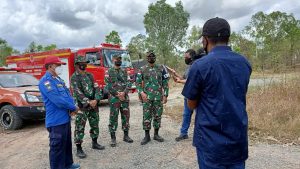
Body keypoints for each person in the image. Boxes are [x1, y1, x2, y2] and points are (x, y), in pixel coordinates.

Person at [182, 17, 252, 169]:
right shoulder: (244, 63)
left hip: (210, 143)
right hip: (237, 140)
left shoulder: (200, 66)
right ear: (228, 38)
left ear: (205, 40)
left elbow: (191, 104)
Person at [39, 56, 80, 169]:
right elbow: (57, 100)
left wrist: (71, 108)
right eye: (58, 65)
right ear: (50, 66)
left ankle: (68, 164)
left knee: (66, 144)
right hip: (56, 121)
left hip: (65, 118)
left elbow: (67, 95)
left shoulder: (58, 80)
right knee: (57, 147)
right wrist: (73, 107)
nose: (60, 68)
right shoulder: (45, 81)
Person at [167, 48, 206, 142]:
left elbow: (192, 81)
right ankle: (183, 133)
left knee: (200, 115)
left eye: (186, 56)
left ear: (192, 56)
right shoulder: (189, 67)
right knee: (186, 114)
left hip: (197, 95)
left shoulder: (197, 66)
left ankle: (202, 135)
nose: (185, 58)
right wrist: (175, 74)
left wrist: (180, 81)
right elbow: (184, 78)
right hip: (188, 95)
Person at [70, 56, 105, 159]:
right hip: (82, 107)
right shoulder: (74, 77)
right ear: (77, 64)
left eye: (85, 63)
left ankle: (95, 143)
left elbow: (97, 88)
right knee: (80, 127)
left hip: (93, 105)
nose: (84, 65)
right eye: (82, 63)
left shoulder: (90, 75)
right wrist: (88, 101)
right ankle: (79, 148)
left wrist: (96, 100)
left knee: (95, 125)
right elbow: (77, 92)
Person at [136, 51, 170, 145]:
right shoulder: (142, 69)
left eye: (153, 56)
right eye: (149, 56)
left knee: (157, 116)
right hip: (147, 97)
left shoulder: (161, 68)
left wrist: (166, 95)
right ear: (147, 58)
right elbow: (138, 83)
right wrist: (141, 93)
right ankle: (147, 136)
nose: (151, 57)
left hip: (158, 97)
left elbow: (165, 83)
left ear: (155, 57)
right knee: (146, 116)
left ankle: (156, 134)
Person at [105, 54, 133, 147]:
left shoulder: (125, 71)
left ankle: (126, 136)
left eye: (120, 59)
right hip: (114, 99)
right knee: (113, 118)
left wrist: (124, 93)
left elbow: (129, 82)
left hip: (124, 98)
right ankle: (113, 138)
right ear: (113, 60)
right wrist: (117, 94)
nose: (119, 61)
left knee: (126, 116)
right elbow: (108, 85)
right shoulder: (109, 71)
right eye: (117, 59)